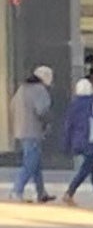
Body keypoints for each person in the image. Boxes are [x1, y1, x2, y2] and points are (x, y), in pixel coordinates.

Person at [61, 78, 93, 204]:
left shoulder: (73, 105)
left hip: (78, 141)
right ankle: (70, 192)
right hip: (92, 141)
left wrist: (67, 144)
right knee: (86, 168)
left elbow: (68, 126)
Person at [9, 65, 51, 202]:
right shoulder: (40, 90)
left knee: (35, 162)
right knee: (31, 162)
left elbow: (12, 106)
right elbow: (42, 111)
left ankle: (41, 192)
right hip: (33, 130)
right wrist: (46, 124)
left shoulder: (22, 89)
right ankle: (17, 190)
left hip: (21, 129)